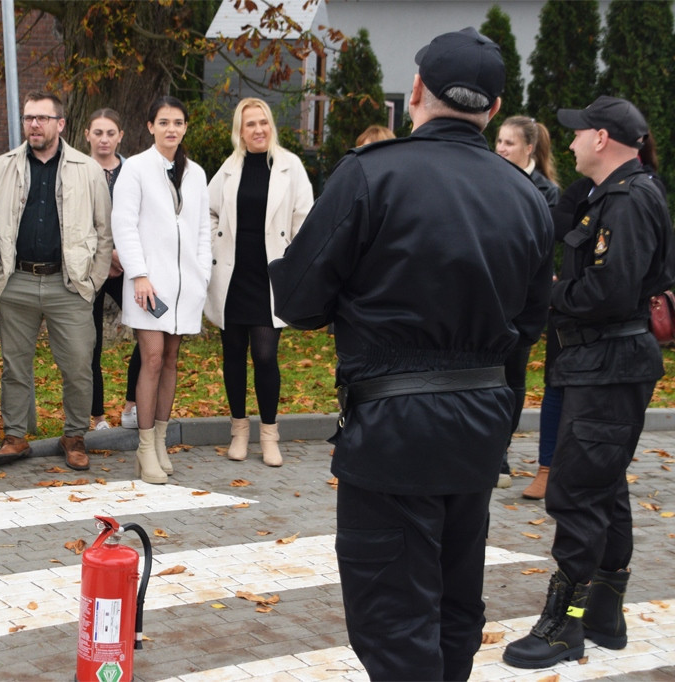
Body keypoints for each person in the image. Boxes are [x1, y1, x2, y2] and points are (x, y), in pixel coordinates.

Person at [269, 28, 553, 679]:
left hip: (393, 436)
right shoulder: (528, 199)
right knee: (454, 612)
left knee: (394, 621)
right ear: (494, 104)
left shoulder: (371, 173)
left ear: (418, 90)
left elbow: (303, 300)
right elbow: (529, 328)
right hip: (478, 430)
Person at [503, 96, 675, 669]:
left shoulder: (627, 201)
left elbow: (610, 292)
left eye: (579, 134)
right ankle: (604, 613)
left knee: (575, 493)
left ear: (602, 139)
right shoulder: (609, 193)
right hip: (604, 365)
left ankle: (564, 626)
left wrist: (547, 296)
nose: (570, 142)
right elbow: (556, 224)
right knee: (604, 486)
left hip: (607, 366)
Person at [0, 91, 112, 471]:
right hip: (15, 281)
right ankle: (16, 436)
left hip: (68, 284)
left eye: (41, 118)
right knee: (14, 365)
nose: (33, 125)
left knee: (77, 365)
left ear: (61, 124)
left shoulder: (87, 170)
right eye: (28, 118)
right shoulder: (1, 167)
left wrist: (92, 280)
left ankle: (74, 436)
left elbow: (104, 233)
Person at [206, 97, 313, 466]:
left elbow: (304, 220)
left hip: (270, 276)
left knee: (265, 355)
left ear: (272, 126)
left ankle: (269, 433)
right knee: (233, 354)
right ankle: (239, 430)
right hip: (233, 274)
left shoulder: (290, 166)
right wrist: (212, 246)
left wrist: (295, 264)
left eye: (263, 122)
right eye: (250, 124)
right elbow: (209, 211)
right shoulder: (230, 167)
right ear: (240, 130)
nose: (258, 130)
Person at [112, 96, 211, 485]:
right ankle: (143, 446)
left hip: (185, 284)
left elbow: (202, 229)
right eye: (164, 122)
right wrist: (138, 274)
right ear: (150, 126)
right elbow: (125, 224)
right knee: (151, 358)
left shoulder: (197, 173)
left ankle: (160, 442)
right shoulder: (135, 169)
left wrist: (201, 274)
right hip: (147, 284)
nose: (172, 128)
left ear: (185, 128)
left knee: (171, 359)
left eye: (179, 122)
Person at [494, 115, 561, 489]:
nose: (501, 148)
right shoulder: (487, 176)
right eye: (499, 141)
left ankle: (501, 449)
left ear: (529, 148)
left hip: (521, 299)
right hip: (489, 293)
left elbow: (539, 247)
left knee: (513, 376)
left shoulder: (546, 192)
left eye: (509, 143)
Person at [84, 109, 141, 431]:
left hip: (127, 267)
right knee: (88, 344)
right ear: (87, 135)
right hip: (91, 268)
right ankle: (97, 418)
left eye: (110, 133)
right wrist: (104, 256)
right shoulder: (77, 170)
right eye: (98, 132)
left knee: (149, 333)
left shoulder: (133, 172)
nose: (104, 139)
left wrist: (125, 257)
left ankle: (132, 405)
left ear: (120, 136)